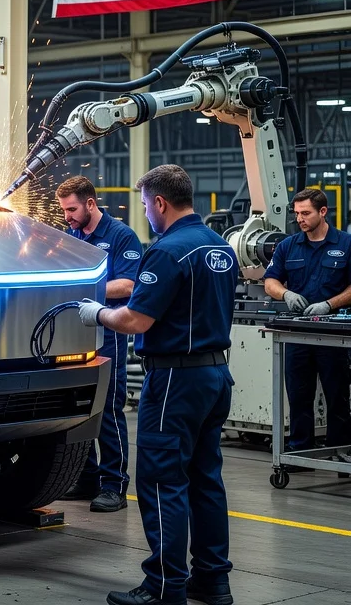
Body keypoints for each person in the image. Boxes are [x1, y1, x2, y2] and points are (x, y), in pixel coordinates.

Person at [78, 165, 237, 605]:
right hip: (216, 375)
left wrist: (96, 313)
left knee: (162, 481)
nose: (146, 212)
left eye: (146, 204)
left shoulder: (167, 251)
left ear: (160, 203)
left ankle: (164, 586)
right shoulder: (219, 247)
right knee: (206, 480)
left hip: (174, 381)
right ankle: (213, 581)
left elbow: (135, 319)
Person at [56, 176, 141, 512]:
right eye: (63, 210)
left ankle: (114, 485)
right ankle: (86, 476)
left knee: (106, 410)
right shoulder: (71, 235)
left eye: (72, 209)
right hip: (75, 332)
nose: (67, 216)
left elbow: (130, 284)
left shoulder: (121, 236)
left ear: (91, 204)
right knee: (79, 408)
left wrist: (89, 288)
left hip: (108, 334)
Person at [262, 187, 351, 461]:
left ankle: (339, 451)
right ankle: (301, 452)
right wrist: (285, 293)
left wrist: (330, 304)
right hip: (298, 335)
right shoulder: (289, 246)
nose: (300, 219)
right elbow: (270, 282)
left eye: (306, 213)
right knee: (299, 395)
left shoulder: (345, 244)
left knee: (337, 396)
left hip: (333, 335)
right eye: (297, 213)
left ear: (323, 212)